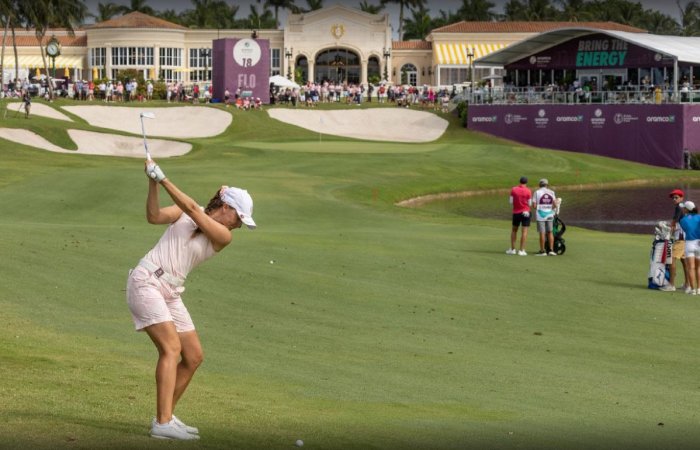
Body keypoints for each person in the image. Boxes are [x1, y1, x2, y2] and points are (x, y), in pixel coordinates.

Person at [126, 159, 256, 440]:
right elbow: (154, 216)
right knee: (172, 349)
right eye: (239, 218)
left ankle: (165, 417)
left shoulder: (222, 236)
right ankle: (162, 424)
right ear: (226, 208)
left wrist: (163, 178)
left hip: (171, 292)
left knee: (194, 356)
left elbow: (194, 209)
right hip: (146, 281)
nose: (239, 226)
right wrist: (152, 182)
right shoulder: (188, 213)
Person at [662, 189, 690, 292]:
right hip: (686, 239)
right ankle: (687, 285)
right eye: (673, 198)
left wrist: (667, 230)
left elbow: (674, 222)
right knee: (684, 261)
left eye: (676, 197)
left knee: (672, 259)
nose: (674, 199)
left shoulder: (679, 207)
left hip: (681, 240)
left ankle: (671, 285)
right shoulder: (684, 208)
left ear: (681, 198)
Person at [679, 201, 700, 295]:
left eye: (684, 208)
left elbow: (685, 230)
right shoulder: (699, 217)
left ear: (687, 209)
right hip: (699, 244)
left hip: (689, 244)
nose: (683, 209)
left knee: (690, 268)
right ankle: (699, 289)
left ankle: (693, 290)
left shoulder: (683, 220)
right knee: (698, 268)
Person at [506, 176, 531, 256]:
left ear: (519, 181)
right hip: (526, 212)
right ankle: (521, 250)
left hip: (516, 212)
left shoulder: (514, 189)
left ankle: (513, 249)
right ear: (526, 182)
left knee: (514, 230)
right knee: (524, 232)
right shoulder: (528, 191)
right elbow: (530, 203)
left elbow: (510, 201)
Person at [533, 178, 557, 256]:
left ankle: (542, 251)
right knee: (550, 232)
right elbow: (555, 205)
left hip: (540, 215)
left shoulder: (536, 192)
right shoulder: (552, 192)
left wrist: (541, 208)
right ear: (547, 185)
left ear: (539, 185)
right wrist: (549, 208)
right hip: (550, 214)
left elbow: (534, 205)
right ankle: (551, 250)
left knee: (542, 233)